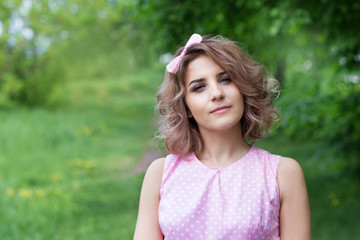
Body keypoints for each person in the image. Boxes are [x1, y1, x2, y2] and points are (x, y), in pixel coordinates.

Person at [133, 33, 311, 240]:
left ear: (243, 88)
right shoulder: (161, 174)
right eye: (199, 87)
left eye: (225, 79)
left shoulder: (282, 174)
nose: (216, 93)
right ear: (187, 107)